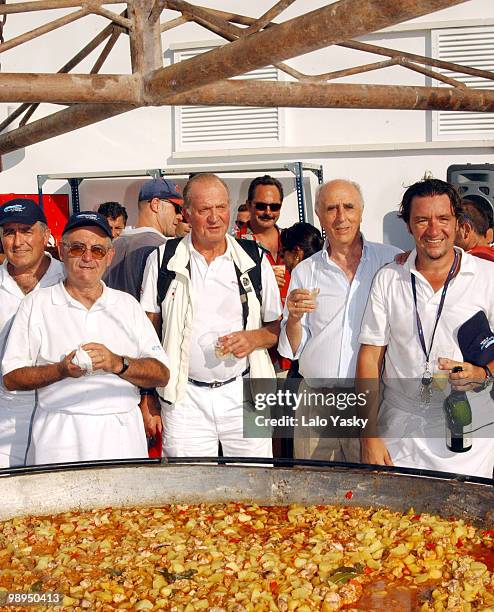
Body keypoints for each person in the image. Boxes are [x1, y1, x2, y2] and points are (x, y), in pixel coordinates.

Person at [2, 211, 170, 465]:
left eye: (98, 250)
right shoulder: (38, 304)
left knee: (126, 505)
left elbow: (162, 372)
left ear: (110, 256)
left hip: (121, 434)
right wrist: (61, 370)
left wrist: (118, 364)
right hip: (59, 435)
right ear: (62, 250)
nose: (88, 258)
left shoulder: (127, 305)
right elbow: (11, 377)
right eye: (77, 248)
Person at [358, 178, 494, 477]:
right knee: (394, 523)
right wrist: (368, 435)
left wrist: (483, 373)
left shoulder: (488, 276)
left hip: (469, 432)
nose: (434, 230)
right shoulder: (389, 278)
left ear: (459, 222)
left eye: (443, 218)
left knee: (464, 522)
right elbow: (370, 359)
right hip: (400, 433)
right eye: (422, 220)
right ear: (408, 225)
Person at [141, 173, 282, 458]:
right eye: (205, 210)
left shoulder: (254, 259)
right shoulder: (162, 259)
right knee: (188, 490)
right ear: (187, 213)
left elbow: (274, 329)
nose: (214, 218)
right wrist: (147, 398)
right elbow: (146, 335)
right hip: (183, 400)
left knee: (253, 487)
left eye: (221, 208)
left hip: (246, 396)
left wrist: (252, 338)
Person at [278, 179, 400, 462]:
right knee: (312, 494)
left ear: (361, 211)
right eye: (331, 208)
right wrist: (294, 319)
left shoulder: (391, 261)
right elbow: (292, 349)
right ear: (319, 215)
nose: (341, 216)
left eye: (348, 207)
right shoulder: (306, 270)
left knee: (370, 492)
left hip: (372, 401)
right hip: (317, 402)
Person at [0, 198, 65, 467]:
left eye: (26, 231)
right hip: (6, 418)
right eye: (9, 232)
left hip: (62, 415)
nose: (17, 242)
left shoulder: (71, 280)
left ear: (46, 235)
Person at [104, 178, 183, 300]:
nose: (180, 216)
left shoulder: (114, 244)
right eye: (177, 208)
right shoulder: (164, 248)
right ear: (155, 204)